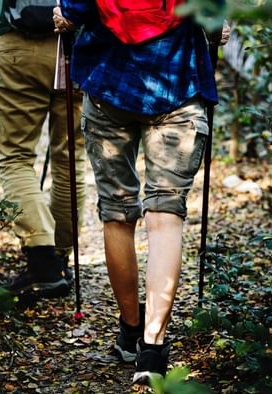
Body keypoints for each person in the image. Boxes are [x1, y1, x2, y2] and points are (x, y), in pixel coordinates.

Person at [53, 1, 225, 385]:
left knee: (117, 211)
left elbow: (72, 11)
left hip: (109, 86)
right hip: (179, 87)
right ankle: (152, 348)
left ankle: (130, 331)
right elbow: (213, 19)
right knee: (165, 217)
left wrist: (63, 15)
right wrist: (217, 30)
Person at [0, 0, 86, 298]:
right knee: (71, 157)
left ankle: (43, 262)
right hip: (76, 46)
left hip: (17, 46)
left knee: (16, 157)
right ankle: (60, 259)